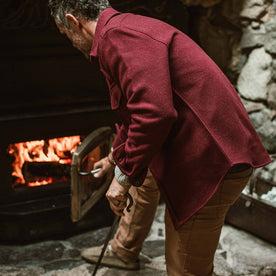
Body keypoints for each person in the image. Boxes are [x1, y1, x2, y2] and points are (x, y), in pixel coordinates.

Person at [48, 1, 271, 275]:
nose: (70, 42)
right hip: (202, 149)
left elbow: (154, 114)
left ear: (73, 22)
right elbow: (136, 111)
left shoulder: (119, 37)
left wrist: (122, 177)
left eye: (65, 34)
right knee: (143, 177)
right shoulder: (121, 29)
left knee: (184, 268)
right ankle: (124, 250)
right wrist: (115, 159)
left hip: (213, 162)